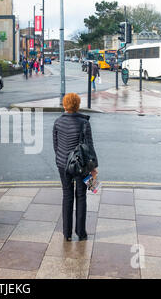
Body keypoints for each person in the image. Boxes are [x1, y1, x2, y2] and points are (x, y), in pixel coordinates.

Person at [53, 93, 98, 242]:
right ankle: (81, 232)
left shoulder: (58, 122)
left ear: (65, 105)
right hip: (81, 166)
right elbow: (89, 147)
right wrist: (93, 168)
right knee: (81, 196)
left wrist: (62, 160)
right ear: (77, 105)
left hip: (63, 165)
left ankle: (67, 233)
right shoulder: (84, 123)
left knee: (67, 196)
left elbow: (56, 146)